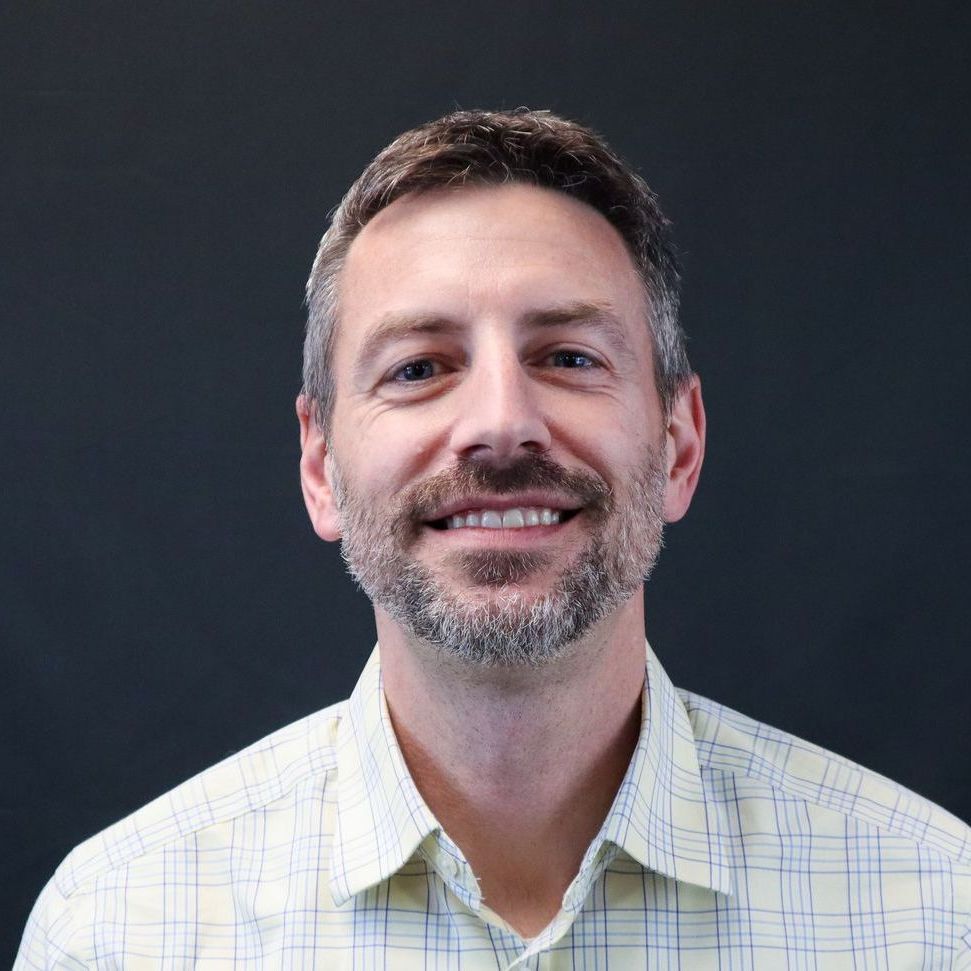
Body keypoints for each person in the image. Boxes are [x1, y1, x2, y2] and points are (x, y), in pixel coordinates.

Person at [16, 108, 971, 969]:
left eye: (567, 356)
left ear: (678, 445)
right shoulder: (119, 930)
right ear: (320, 468)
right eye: (420, 367)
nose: (500, 422)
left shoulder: (936, 915)